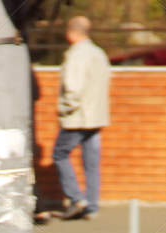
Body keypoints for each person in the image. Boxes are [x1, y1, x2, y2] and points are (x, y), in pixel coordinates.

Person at [53, 15, 110, 221]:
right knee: (91, 163)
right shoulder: (99, 53)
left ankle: (77, 198)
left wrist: (63, 109)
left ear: (71, 32)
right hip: (96, 118)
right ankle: (92, 206)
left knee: (59, 154)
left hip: (77, 118)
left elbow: (72, 88)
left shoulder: (76, 54)